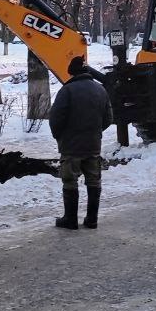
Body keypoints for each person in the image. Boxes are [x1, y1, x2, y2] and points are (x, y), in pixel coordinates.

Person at [48, 56, 113, 230]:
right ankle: (92, 219)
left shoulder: (67, 91)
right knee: (94, 180)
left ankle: (70, 220)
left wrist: (60, 136)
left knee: (70, 180)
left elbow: (56, 119)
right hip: (93, 145)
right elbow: (108, 118)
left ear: (72, 72)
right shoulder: (101, 90)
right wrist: (94, 132)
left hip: (71, 146)